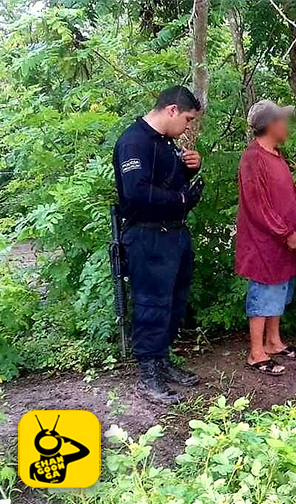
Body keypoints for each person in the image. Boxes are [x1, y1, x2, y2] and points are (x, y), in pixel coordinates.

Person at [113, 86, 204, 404]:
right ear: (172, 111)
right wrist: (181, 198)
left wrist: (189, 170)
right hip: (148, 236)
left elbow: (165, 182)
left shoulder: (165, 143)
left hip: (174, 235)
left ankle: (162, 361)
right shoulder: (134, 141)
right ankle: (148, 373)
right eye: (188, 119)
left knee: (174, 303)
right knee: (152, 305)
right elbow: (137, 191)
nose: (188, 126)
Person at [235, 100, 296, 377]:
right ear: (272, 124)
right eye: (283, 120)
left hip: (286, 242)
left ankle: (274, 342)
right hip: (264, 242)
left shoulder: (276, 156)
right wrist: (284, 232)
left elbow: (293, 195)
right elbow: (258, 204)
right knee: (264, 292)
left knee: (280, 290)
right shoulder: (253, 157)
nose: (287, 125)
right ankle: (257, 352)